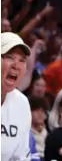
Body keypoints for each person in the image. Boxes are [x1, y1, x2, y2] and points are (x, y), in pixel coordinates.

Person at [1, 32, 32, 161]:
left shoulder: (22, 103)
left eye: (22, 60)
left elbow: (20, 157)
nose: (16, 65)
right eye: (9, 57)